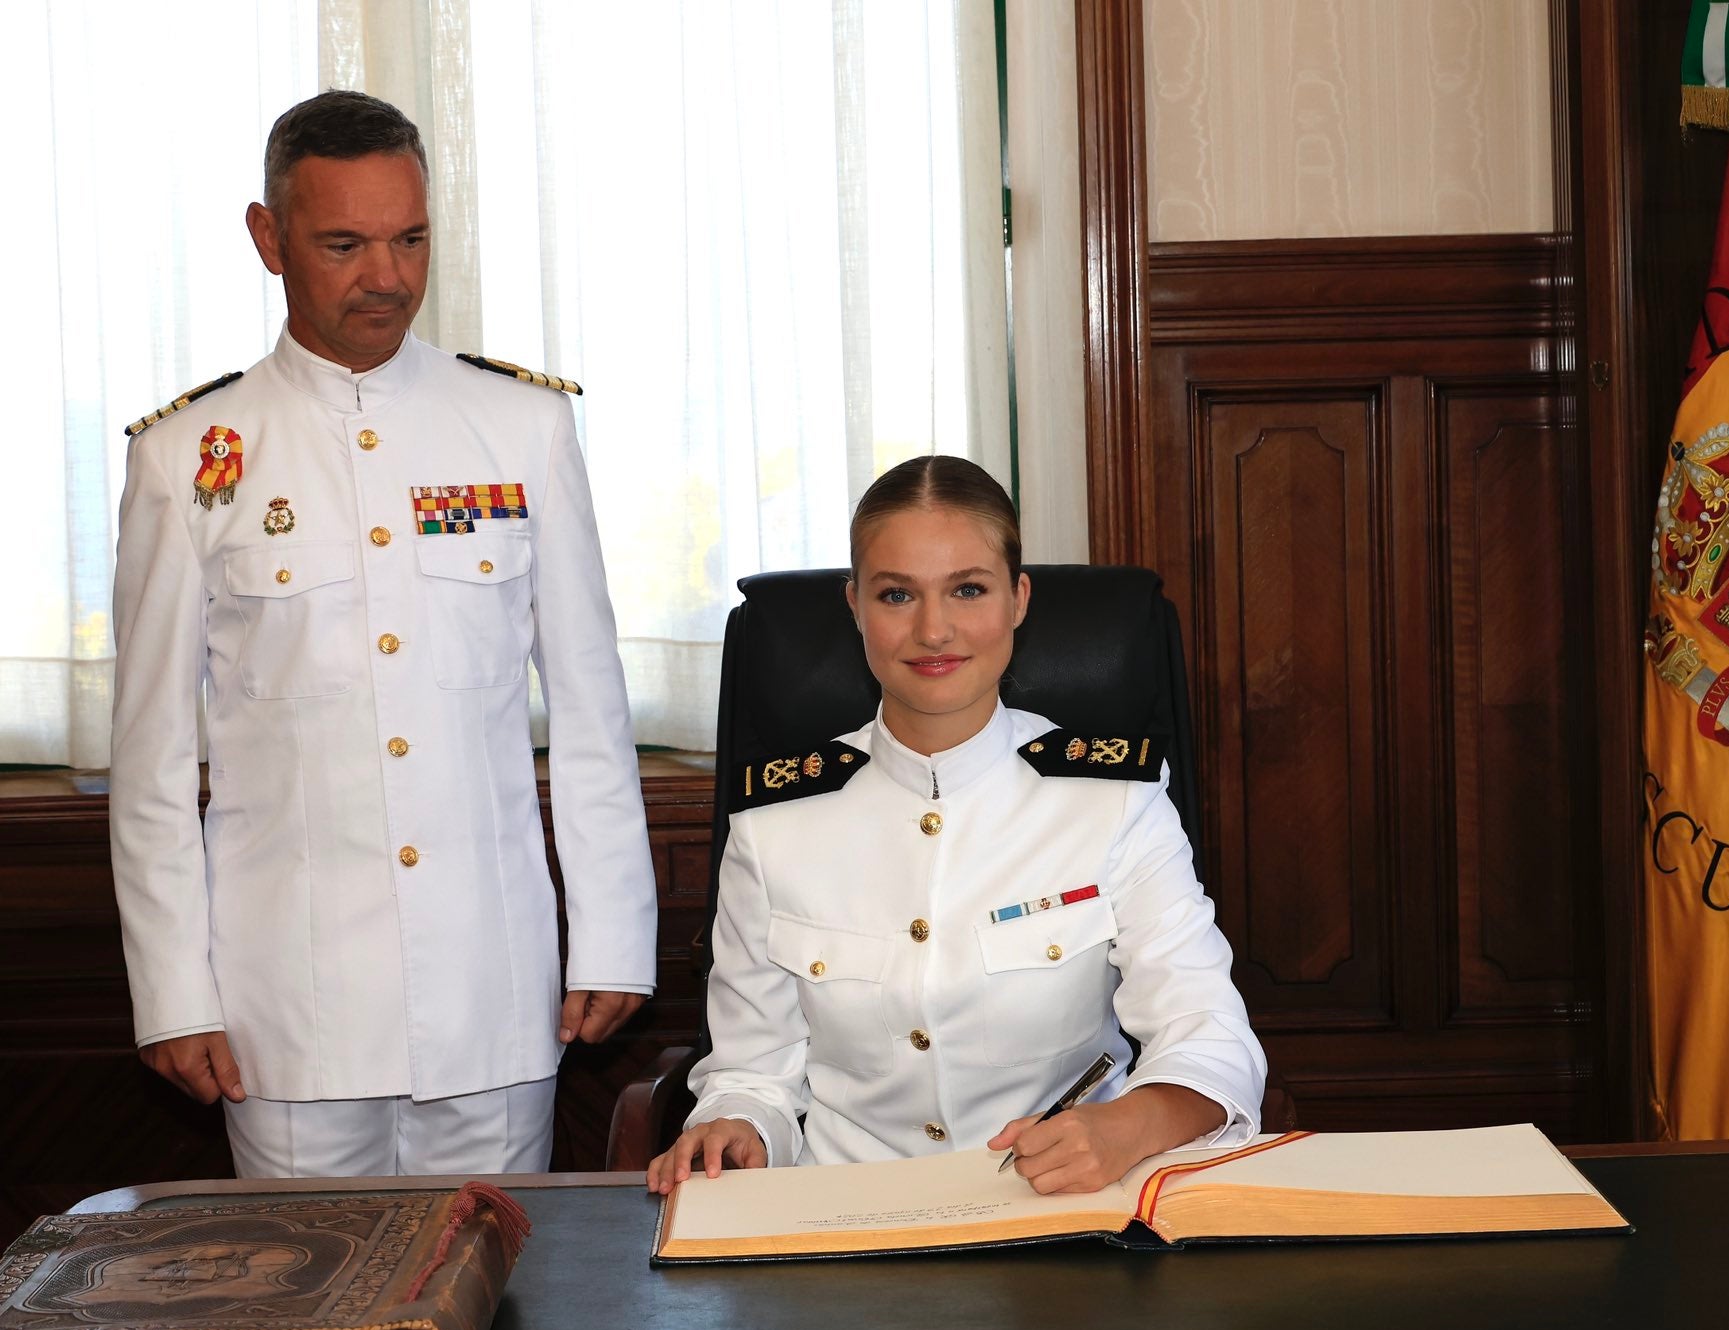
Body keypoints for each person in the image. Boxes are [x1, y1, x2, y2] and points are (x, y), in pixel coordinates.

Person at [109, 90, 657, 1178]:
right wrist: (174, 992)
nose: (388, 276)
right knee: (308, 1323)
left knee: (503, 1304)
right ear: (269, 241)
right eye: (344, 244)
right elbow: (153, 760)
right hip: (286, 1007)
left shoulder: (521, 427)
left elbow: (592, 713)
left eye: (409, 240)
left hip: (490, 997)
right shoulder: (190, 455)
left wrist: (611, 938)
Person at [647, 456, 1265, 1196]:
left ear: (1018, 599)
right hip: (844, 1227)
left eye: (968, 589)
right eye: (897, 594)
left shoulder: (1114, 803)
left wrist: (1130, 1124)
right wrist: (735, 1126)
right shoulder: (776, 822)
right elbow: (753, 1073)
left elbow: (1210, 1037)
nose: (933, 630)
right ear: (855, 607)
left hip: (1057, 1215)